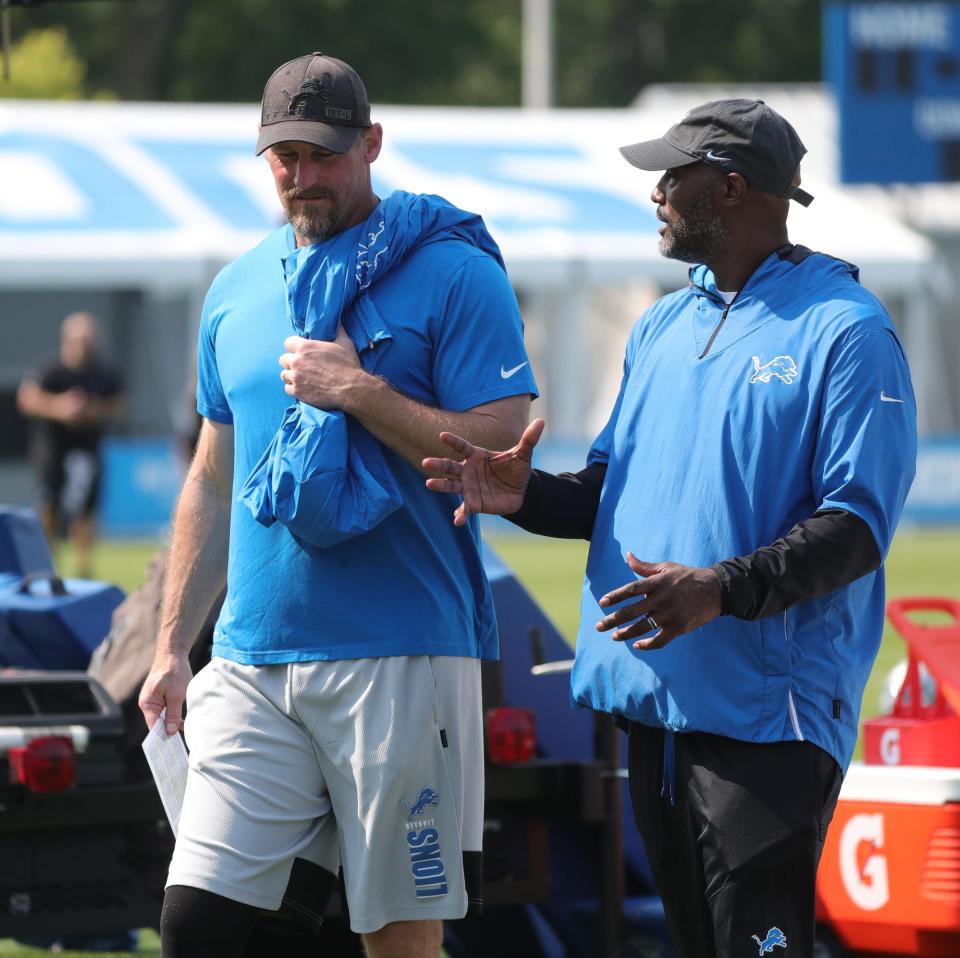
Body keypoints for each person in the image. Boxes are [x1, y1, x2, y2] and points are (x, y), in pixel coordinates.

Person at [423, 99, 917, 958]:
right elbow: (610, 491)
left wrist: (718, 591)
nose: (655, 191)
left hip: (767, 721)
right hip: (652, 709)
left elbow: (856, 530)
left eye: (671, 175)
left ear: (729, 189)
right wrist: (525, 495)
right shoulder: (659, 324)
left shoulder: (848, 330)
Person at [137, 52, 537, 958]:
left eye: (323, 154)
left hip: (401, 655)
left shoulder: (454, 272)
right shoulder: (235, 287)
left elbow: (501, 453)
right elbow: (212, 474)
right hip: (248, 659)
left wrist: (359, 392)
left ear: (371, 145)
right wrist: (170, 646)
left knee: (398, 942)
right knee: (200, 927)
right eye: (284, 156)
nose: (303, 177)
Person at [17, 311, 124, 578]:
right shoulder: (50, 370)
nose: (86, 346)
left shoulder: (103, 372)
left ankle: (83, 568)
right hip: (53, 449)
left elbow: (120, 405)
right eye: (81, 340)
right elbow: (27, 398)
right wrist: (60, 407)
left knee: (85, 510)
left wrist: (94, 411)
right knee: (48, 506)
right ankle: (47, 564)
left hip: (87, 450)